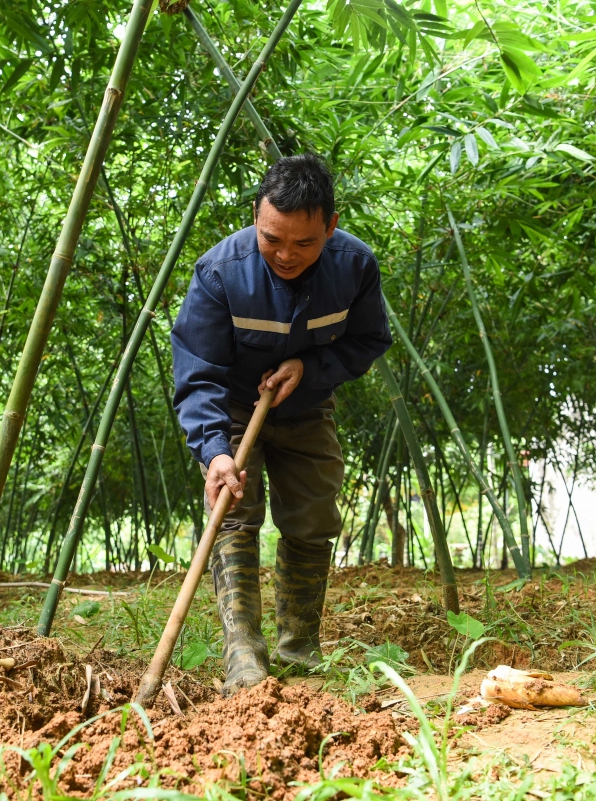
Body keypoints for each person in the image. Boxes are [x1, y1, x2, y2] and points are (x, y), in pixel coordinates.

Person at [170, 154, 392, 695]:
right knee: (233, 515)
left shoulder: (355, 267)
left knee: (314, 517)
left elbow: (368, 340)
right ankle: (242, 658)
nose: (286, 255)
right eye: (272, 239)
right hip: (232, 413)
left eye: (304, 244)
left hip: (306, 404)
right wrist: (215, 451)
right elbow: (198, 374)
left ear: (331, 227)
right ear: (256, 216)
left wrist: (309, 367)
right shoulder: (221, 271)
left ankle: (299, 651)